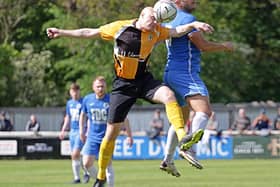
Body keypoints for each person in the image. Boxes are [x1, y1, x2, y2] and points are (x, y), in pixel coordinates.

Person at [46, 6, 214, 186]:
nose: (155, 22)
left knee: (168, 95)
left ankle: (183, 138)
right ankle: (101, 176)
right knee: (110, 135)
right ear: (141, 16)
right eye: (152, 18)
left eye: (157, 19)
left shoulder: (156, 30)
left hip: (144, 80)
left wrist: (194, 24)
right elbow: (89, 32)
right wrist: (61, 32)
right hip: (123, 86)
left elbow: (176, 31)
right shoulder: (120, 28)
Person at [160, 0, 234, 174]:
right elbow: (203, 46)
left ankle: (167, 160)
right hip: (185, 73)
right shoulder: (187, 18)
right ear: (178, 1)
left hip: (170, 72)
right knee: (204, 111)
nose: (196, 1)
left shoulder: (167, 20)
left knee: (180, 119)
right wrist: (225, 46)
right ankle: (188, 148)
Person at [79, 76, 133, 187]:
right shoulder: (87, 99)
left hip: (108, 137)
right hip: (92, 137)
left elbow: (124, 118)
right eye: (98, 86)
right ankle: (101, 180)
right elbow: (83, 115)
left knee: (107, 164)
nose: (100, 89)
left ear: (106, 87)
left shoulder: (112, 100)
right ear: (93, 87)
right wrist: (81, 131)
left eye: (102, 86)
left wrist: (129, 135)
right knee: (86, 163)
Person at [59, 83, 89, 184]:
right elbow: (68, 117)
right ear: (70, 92)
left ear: (79, 91)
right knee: (74, 155)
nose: (75, 93)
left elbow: (87, 116)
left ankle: (84, 174)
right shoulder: (69, 103)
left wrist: (86, 130)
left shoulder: (84, 101)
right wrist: (63, 130)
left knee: (76, 153)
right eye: (73, 91)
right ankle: (78, 177)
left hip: (81, 131)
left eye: (76, 90)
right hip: (73, 131)